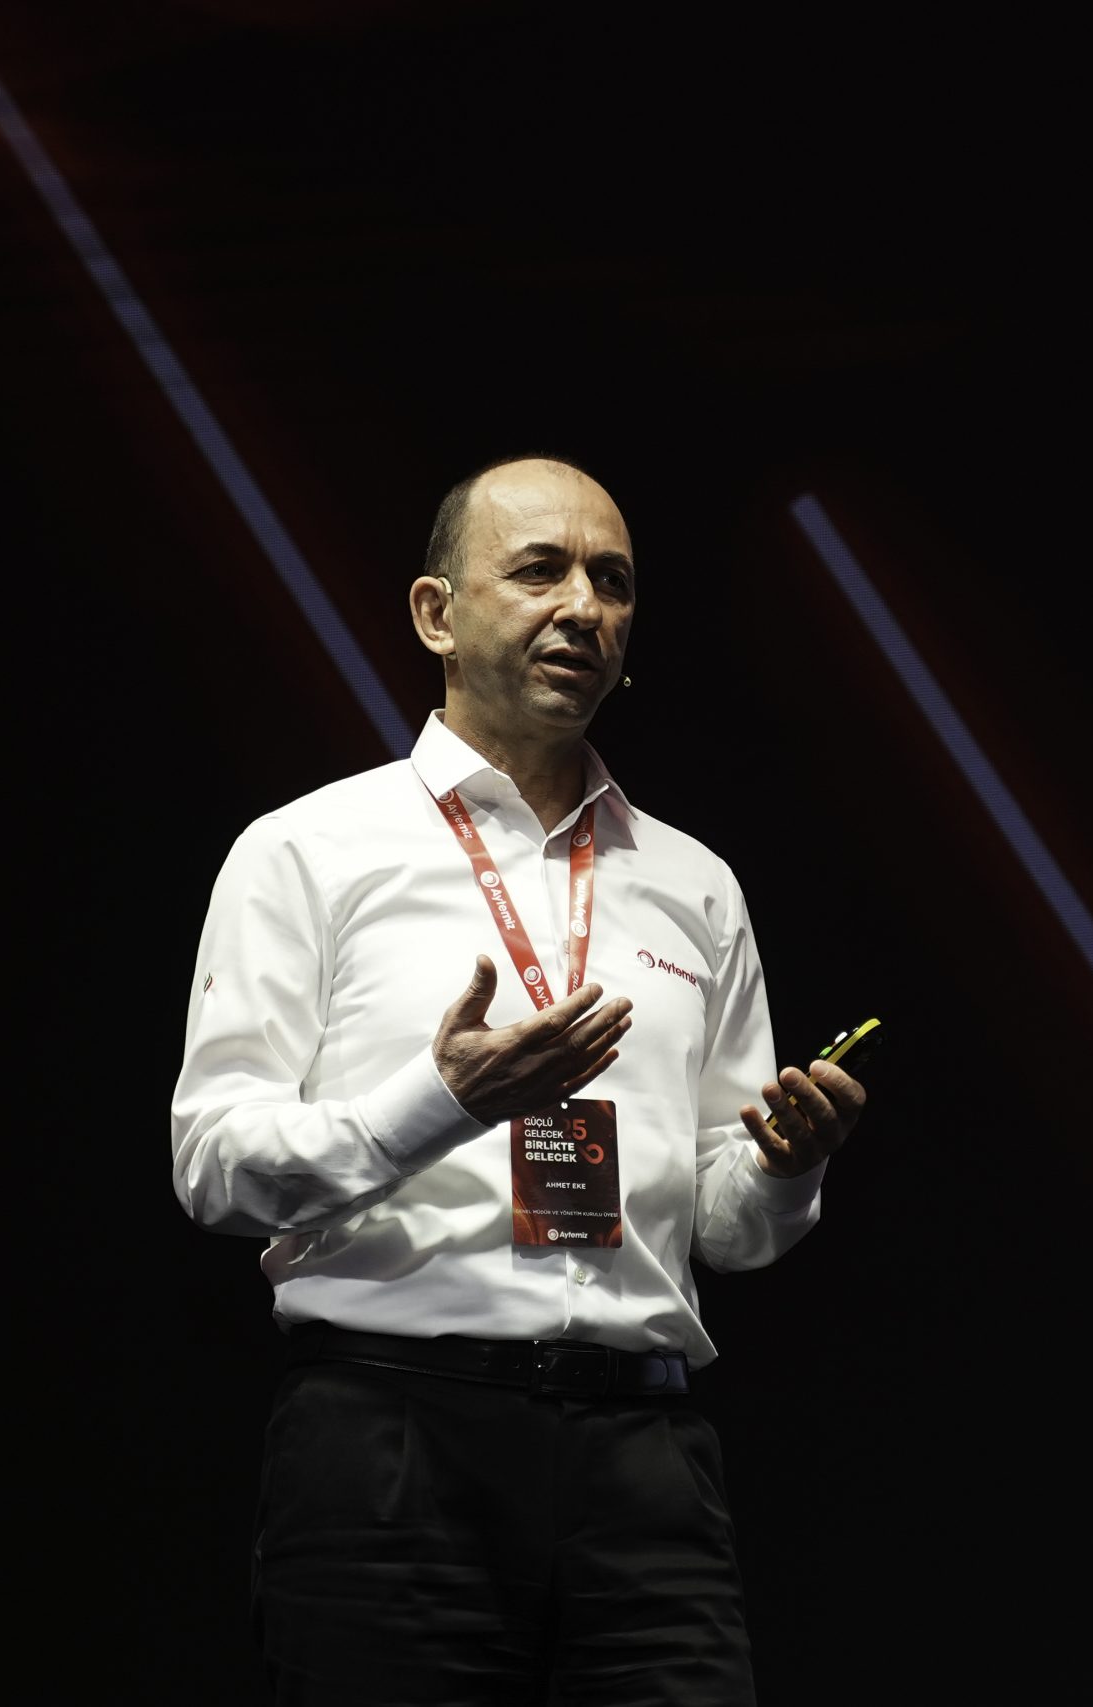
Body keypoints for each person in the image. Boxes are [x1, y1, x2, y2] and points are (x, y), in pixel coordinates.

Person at [170, 454, 867, 1704]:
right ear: (436, 614)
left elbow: (726, 1230)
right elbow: (215, 1167)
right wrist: (444, 1104)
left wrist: (781, 1166)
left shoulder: (694, 884)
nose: (584, 608)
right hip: (392, 1445)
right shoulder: (307, 851)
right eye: (540, 570)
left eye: (613, 582)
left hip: (644, 1461)